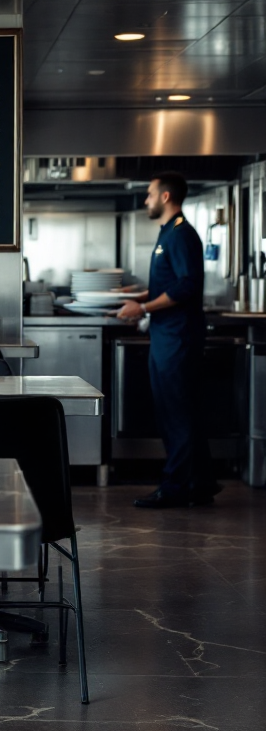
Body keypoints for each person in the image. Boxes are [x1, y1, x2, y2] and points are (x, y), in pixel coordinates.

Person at [117, 171, 220, 508]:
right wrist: (136, 296)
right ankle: (200, 483)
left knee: (176, 412)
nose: (146, 199)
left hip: (178, 338)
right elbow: (169, 284)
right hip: (166, 336)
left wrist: (143, 307)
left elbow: (187, 285)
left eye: (149, 193)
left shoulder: (181, 234)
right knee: (181, 410)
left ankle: (175, 487)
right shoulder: (168, 233)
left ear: (165, 196)